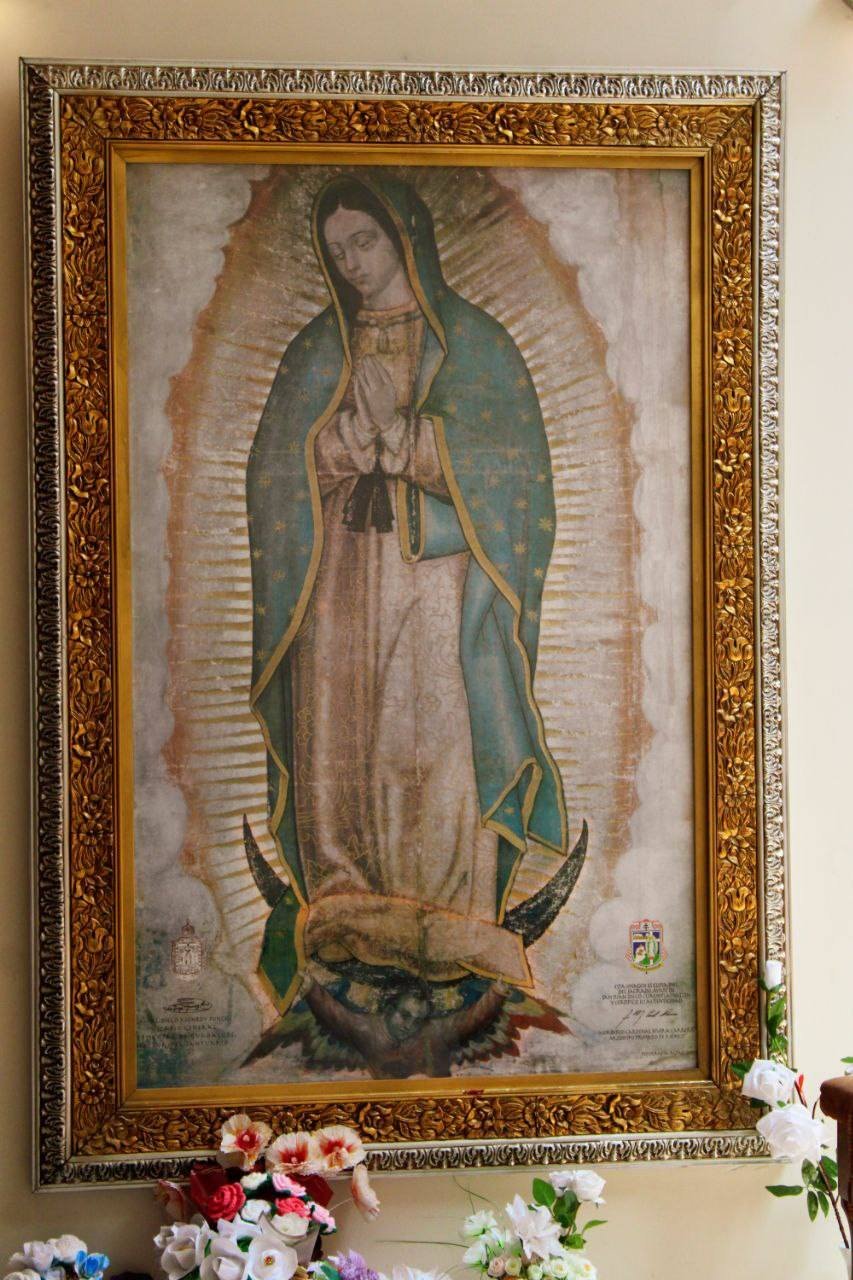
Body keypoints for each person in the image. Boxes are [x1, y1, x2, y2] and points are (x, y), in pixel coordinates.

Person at [246, 172, 568, 1022]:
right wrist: (336, 446)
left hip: (433, 579)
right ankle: (346, 907)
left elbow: (514, 478)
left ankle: (447, 914)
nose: (352, 262)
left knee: (429, 730)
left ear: (404, 238)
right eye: (338, 249)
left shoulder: (471, 345)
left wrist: (411, 441)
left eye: (366, 241)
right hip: (337, 580)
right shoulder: (316, 350)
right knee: (340, 728)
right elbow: (274, 472)